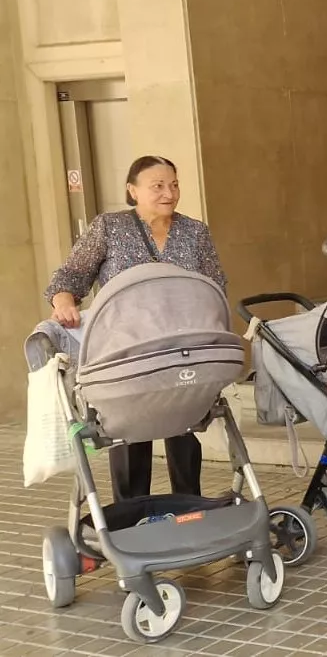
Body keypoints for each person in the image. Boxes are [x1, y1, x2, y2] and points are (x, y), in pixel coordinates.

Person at [45, 155, 222, 501]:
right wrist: (63, 300)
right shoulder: (109, 227)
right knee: (128, 433)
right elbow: (70, 276)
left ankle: (190, 512)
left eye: (174, 184)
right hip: (125, 351)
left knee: (183, 429)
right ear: (132, 190)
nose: (169, 193)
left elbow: (214, 285)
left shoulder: (195, 232)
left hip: (179, 347)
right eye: (157, 185)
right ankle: (130, 519)